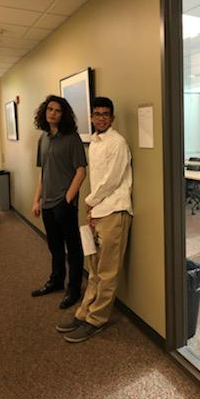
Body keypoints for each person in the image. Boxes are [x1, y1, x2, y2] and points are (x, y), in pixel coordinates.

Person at [56, 97, 133, 343]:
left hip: (114, 211)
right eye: (97, 113)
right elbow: (97, 179)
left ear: (112, 117)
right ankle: (83, 312)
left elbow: (111, 180)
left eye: (106, 114)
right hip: (98, 211)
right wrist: (91, 210)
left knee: (108, 271)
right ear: (91, 117)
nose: (101, 117)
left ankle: (96, 319)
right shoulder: (95, 143)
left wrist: (89, 202)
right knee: (95, 269)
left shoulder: (117, 142)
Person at [31, 95, 87, 309]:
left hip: (65, 204)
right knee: (54, 247)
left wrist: (67, 199)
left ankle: (74, 289)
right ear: (44, 112)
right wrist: (37, 199)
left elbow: (81, 171)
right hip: (46, 203)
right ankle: (56, 281)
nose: (52, 113)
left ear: (64, 115)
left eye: (57, 110)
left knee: (72, 248)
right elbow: (44, 173)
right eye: (50, 109)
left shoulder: (71, 138)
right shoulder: (43, 139)